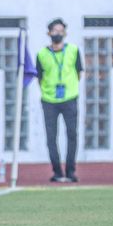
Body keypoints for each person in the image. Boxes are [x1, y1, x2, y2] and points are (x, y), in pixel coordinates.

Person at [36, 18, 84, 183]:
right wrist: (47, 90)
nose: (58, 33)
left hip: (70, 98)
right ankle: (57, 171)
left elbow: (79, 72)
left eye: (60, 30)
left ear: (65, 33)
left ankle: (70, 171)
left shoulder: (73, 50)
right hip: (49, 100)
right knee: (51, 137)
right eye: (54, 30)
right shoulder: (42, 54)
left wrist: (70, 88)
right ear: (49, 33)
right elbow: (39, 76)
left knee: (72, 134)